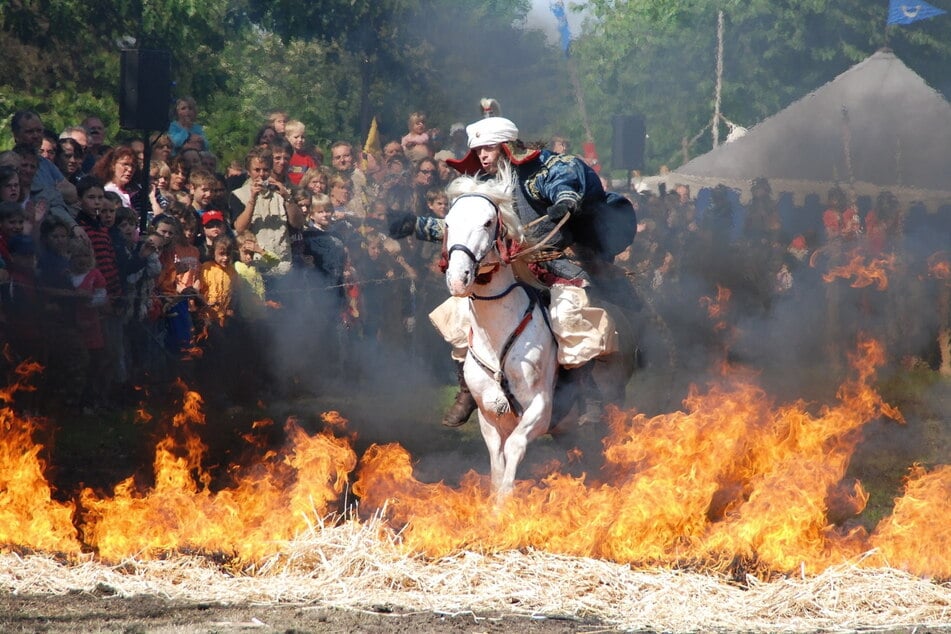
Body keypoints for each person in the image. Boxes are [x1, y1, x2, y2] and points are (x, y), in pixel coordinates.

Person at [391, 116, 637, 427]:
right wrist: (417, 225)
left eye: (488, 148)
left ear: (506, 147)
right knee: (458, 309)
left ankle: (589, 395)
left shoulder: (543, 169)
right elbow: (469, 229)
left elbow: (567, 180)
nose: (482, 156)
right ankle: (467, 389)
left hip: (558, 262)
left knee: (568, 316)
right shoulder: (486, 187)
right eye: (478, 150)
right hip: (510, 267)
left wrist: (564, 200)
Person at [229, 146, 303, 276]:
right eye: (257, 170)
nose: (261, 174)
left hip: (282, 265)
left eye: (266, 170)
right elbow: (240, 228)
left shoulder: (282, 193)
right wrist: (252, 199)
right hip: (255, 267)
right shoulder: (238, 195)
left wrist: (287, 197)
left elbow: (297, 223)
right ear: (248, 171)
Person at [284, 120, 318, 186]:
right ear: (287, 138)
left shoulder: (307, 158)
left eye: (302, 137)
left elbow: (314, 175)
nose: (300, 140)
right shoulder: (283, 156)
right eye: (296, 137)